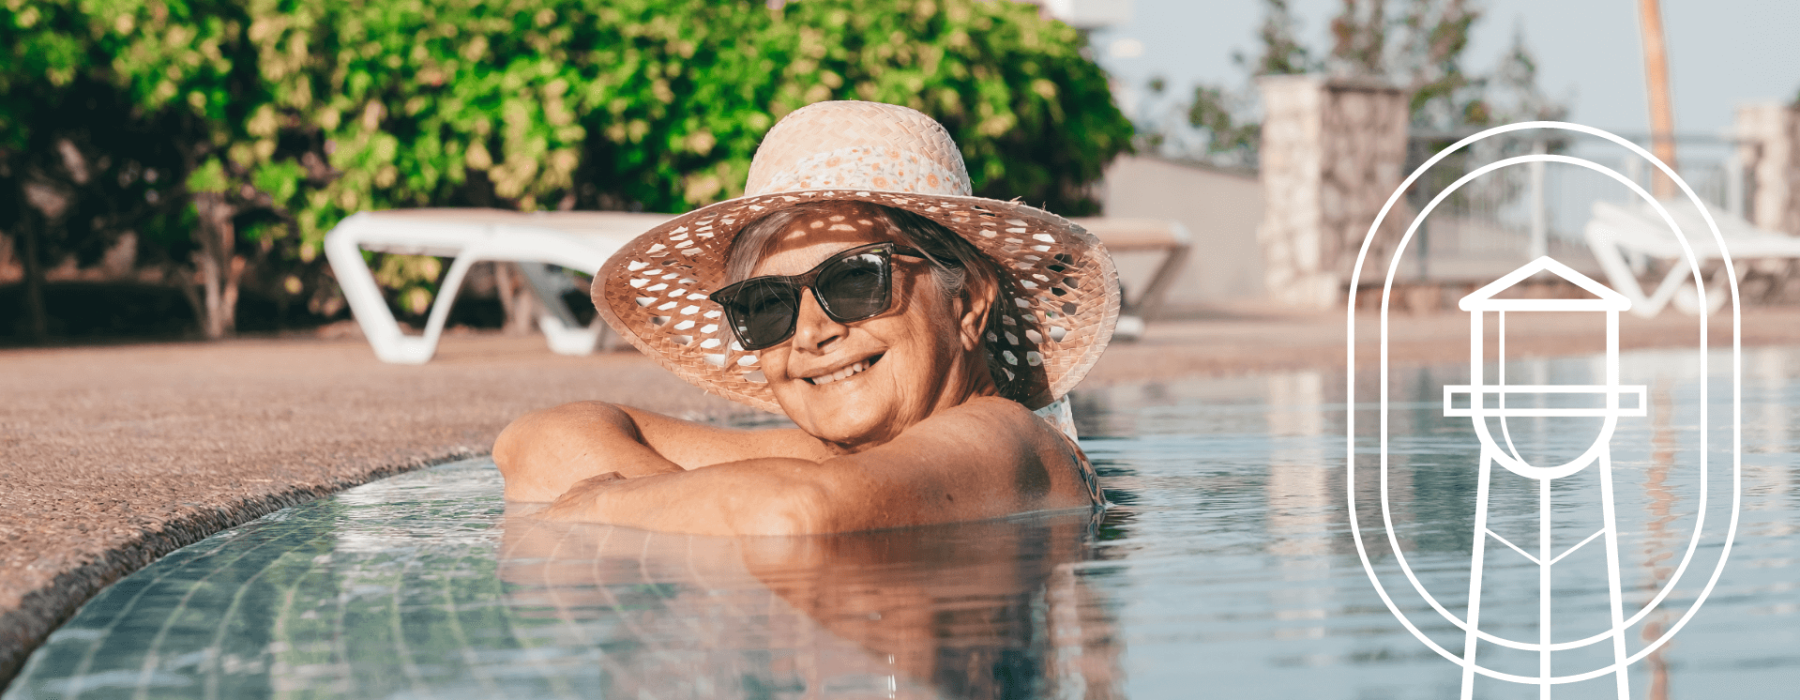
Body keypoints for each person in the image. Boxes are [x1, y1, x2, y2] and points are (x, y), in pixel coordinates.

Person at [494, 100, 1118, 535]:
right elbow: (538, 444)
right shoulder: (840, 460)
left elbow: (793, 518)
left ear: (970, 300)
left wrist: (609, 506)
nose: (813, 332)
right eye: (767, 305)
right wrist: (697, 507)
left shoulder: (1008, 440)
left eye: (854, 279)